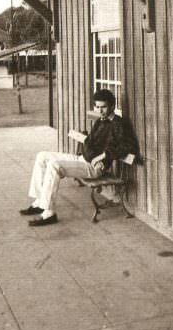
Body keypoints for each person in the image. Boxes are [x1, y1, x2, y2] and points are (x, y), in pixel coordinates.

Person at [21, 88, 138, 227]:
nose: (100, 111)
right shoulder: (101, 120)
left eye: (104, 107)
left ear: (112, 106)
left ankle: (49, 213)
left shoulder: (118, 124)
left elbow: (129, 146)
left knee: (54, 165)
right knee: (42, 156)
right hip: (83, 159)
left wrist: (104, 156)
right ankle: (39, 202)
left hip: (93, 168)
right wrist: (92, 153)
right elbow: (89, 142)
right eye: (98, 107)